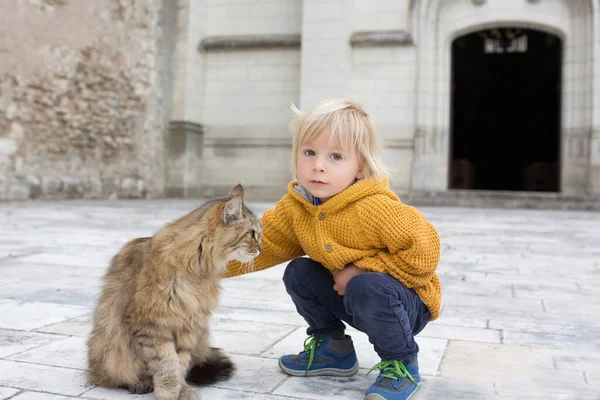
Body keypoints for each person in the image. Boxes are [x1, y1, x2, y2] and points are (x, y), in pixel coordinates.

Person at [226, 98, 441, 400]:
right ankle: (333, 349)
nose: (318, 165)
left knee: (367, 285)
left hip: (403, 306)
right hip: (351, 296)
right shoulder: (297, 207)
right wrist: (200, 265)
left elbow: (425, 253)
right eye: (309, 152)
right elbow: (264, 245)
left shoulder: (375, 207)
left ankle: (402, 362)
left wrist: (361, 269)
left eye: (336, 156)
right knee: (299, 272)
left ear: (360, 166)